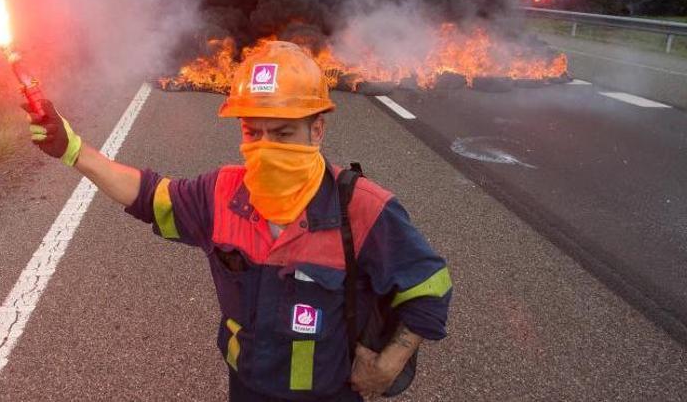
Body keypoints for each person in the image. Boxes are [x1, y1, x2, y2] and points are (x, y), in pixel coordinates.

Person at [26, 40, 452, 401]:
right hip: (245, 387)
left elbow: (430, 286)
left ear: (316, 130)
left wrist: (389, 364)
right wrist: (73, 149)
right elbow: (148, 195)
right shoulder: (222, 194)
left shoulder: (363, 208)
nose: (265, 148)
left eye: (282, 133)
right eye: (252, 132)